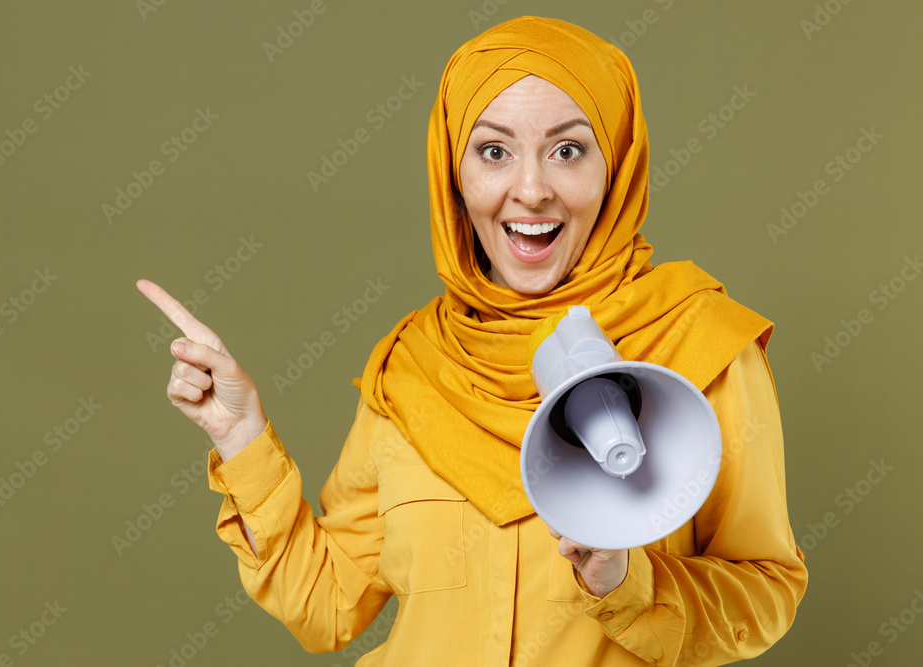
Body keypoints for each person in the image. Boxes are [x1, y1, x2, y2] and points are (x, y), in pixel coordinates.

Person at [138, 15, 807, 666]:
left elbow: (765, 592)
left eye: (568, 150)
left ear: (618, 165)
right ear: (453, 175)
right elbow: (329, 606)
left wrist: (625, 582)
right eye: (494, 151)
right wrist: (242, 438)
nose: (531, 189)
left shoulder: (704, 347)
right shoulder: (412, 368)